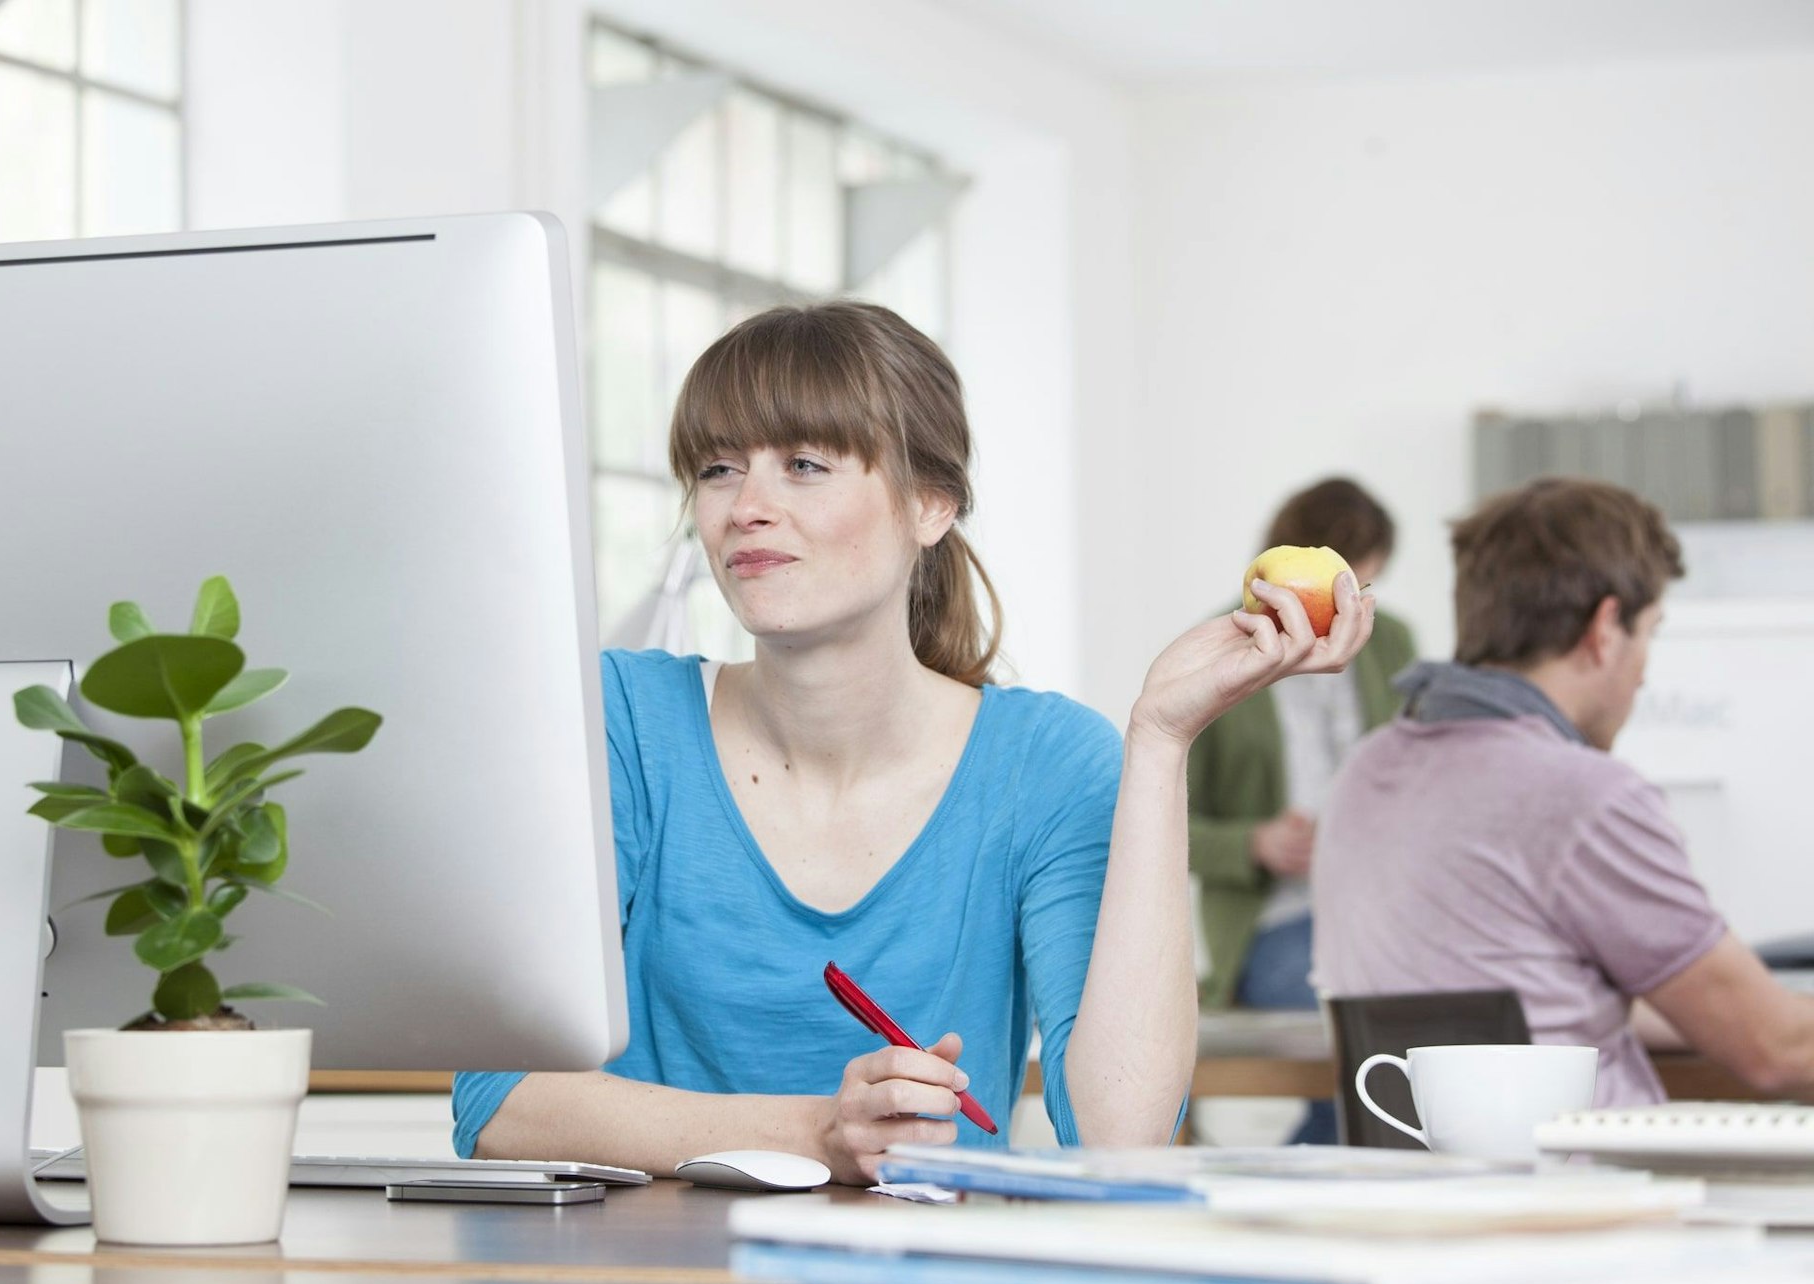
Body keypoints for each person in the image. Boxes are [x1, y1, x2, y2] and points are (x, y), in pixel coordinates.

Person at [453, 303, 1374, 1184]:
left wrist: (1163, 739)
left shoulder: (1049, 763)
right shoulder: (620, 718)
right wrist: (815, 1130)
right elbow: (496, 1097)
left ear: (930, 504)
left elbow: (1122, 1133)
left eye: (806, 464)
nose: (747, 507)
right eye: (719, 468)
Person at [1313, 478, 1814, 1106]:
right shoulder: (1582, 795)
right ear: (1606, 629)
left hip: (1421, 1189)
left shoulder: (1366, 771)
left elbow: (1525, 997)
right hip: (1590, 1190)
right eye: (1650, 631)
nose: (1646, 671)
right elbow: (1777, 1048)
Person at [1190, 479, 1417, 1018]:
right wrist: (1254, 844)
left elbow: (1419, 773)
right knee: (1346, 1009)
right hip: (1276, 917)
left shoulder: (1391, 641)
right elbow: (1163, 820)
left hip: (1384, 907)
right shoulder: (1217, 647)